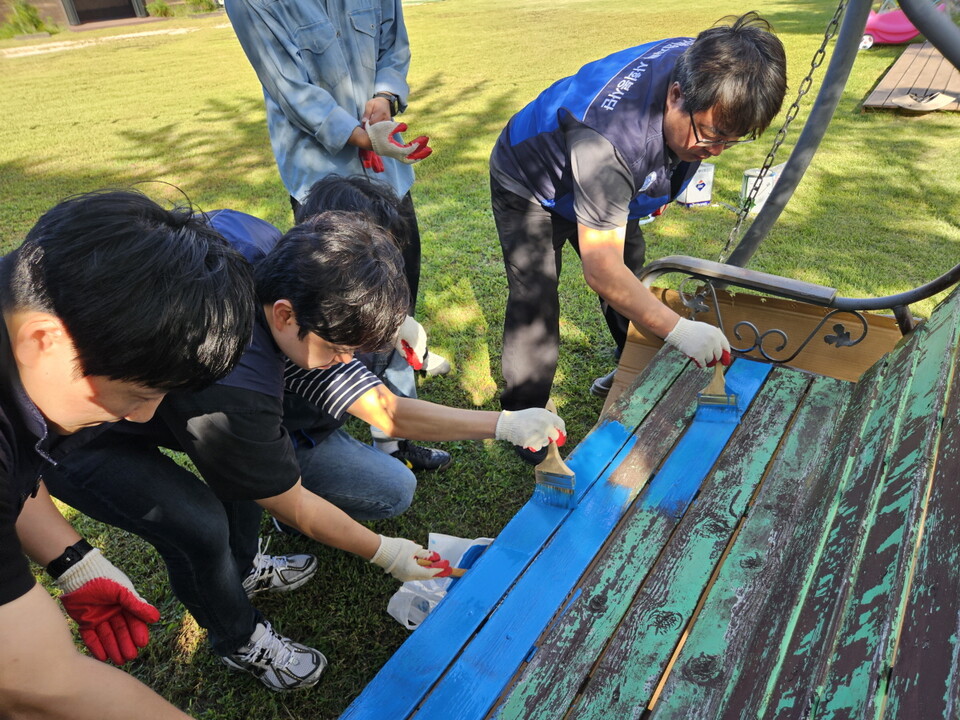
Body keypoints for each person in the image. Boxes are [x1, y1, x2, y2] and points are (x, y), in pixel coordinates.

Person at [44, 205, 565, 692]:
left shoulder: (279, 256)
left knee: (242, 485)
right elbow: (288, 500)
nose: (346, 363)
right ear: (285, 316)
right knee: (197, 525)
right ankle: (239, 639)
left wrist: (503, 422)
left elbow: (386, 409)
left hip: (170, 391)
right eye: (340, 349)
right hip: (84, 431)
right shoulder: (236, 388)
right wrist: (386, 553)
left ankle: (244, 565)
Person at [0, 189, 256, 719]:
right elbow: (35, 685)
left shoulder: (22, 303)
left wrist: (72, 560)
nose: (142, 416)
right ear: (45, 341)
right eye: (137, 395)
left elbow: (16, 475)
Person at [490, 12, 788, 461]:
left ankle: (631, 365)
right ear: (675, 95)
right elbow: (602, 272)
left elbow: (623, 267)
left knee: (634, 274)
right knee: (536, 296)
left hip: (611, 177)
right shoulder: (610, 141)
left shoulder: (709, 66)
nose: (717, 151)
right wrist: (683, 331)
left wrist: (655, 189)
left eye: (732, 141)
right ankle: (523, 418)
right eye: (711, 137)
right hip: (533, 181)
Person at [224, 0, 448, 470]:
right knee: (338, 308)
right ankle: (322, 426)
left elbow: (393, 42)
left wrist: (385, 97)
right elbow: (288, 85)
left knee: (394, 300)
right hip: (321, 177)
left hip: (387, 177)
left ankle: (392, 434)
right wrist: (359, 135)